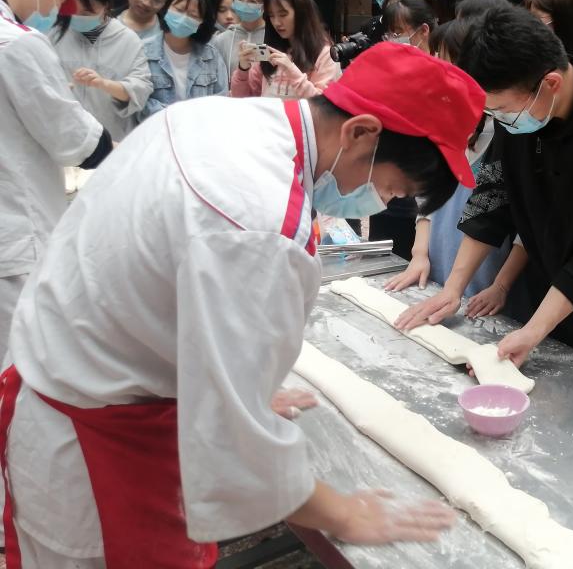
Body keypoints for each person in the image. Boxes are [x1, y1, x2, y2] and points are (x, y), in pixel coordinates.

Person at [0, 43, 481, 566]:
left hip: (65, 380)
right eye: (393, 188)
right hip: (102, 448)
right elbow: (235, 445)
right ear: (360, 132)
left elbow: (159, 282)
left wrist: (224, 384)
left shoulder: (217, 117)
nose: (384, 201)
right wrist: (343, 513)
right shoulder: (257, 220)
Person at [395, 7, 573, 382]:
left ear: (551, 84)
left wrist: (533, 330)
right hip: (548, 292)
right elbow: (493, 197)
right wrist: (453, 288)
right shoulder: (522, 108)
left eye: (502, 110)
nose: (500, 120)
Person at [0, 0, 112, 358]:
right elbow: (74, 141)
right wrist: (112, 147)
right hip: (14, 234)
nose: (52, 14)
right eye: (59, 1)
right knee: (20, 362)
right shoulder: (18, 43)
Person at [386, 17, 523, 309]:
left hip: (486, 286)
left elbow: (527, 226)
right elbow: (425, 198)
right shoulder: (441, 121)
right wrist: (419, 254)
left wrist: (501, 285)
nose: (441, 73)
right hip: (436, 272)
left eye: (449, 64)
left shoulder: (509, 132)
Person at [370, 0, 439, 258]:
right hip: (384, 191)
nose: (393, 39)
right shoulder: (389, 69)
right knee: (382, 261)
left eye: (398, 32)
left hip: (421, 194)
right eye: (389, 33)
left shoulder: (441, 72)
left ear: (423, 31)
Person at [51, 0, 152, 141]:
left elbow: (141, 89)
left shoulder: (127, 40)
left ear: (106, 6)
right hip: (64, 137)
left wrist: (104, 84)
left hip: (112, 138)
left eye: (87, 13)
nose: (78, 17)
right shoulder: (54, 34)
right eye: (72, 10)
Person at [231, 0, 338, 99]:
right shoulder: (270, 50)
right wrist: (243, 69)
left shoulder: (325, 54)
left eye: (283, 15)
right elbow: (241, 98)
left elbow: (323, 103)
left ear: (301, 13)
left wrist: (291, 71)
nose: (276, 22)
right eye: (272, 16)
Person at [138, 0, 226, 120]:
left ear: (201, 23)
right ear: (166, 8)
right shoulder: (143, 51)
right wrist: (175, 116)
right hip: (158, 128)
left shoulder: (211, 55)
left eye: (193, 15)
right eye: (179, 10)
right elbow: (139, 100)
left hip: (201, 128)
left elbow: (221, 100)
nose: (183, 18)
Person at [211, 0, 271, 77]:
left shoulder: (273, 37)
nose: (244, 4)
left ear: (264, 4)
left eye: (252, 1)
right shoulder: (221, 40)